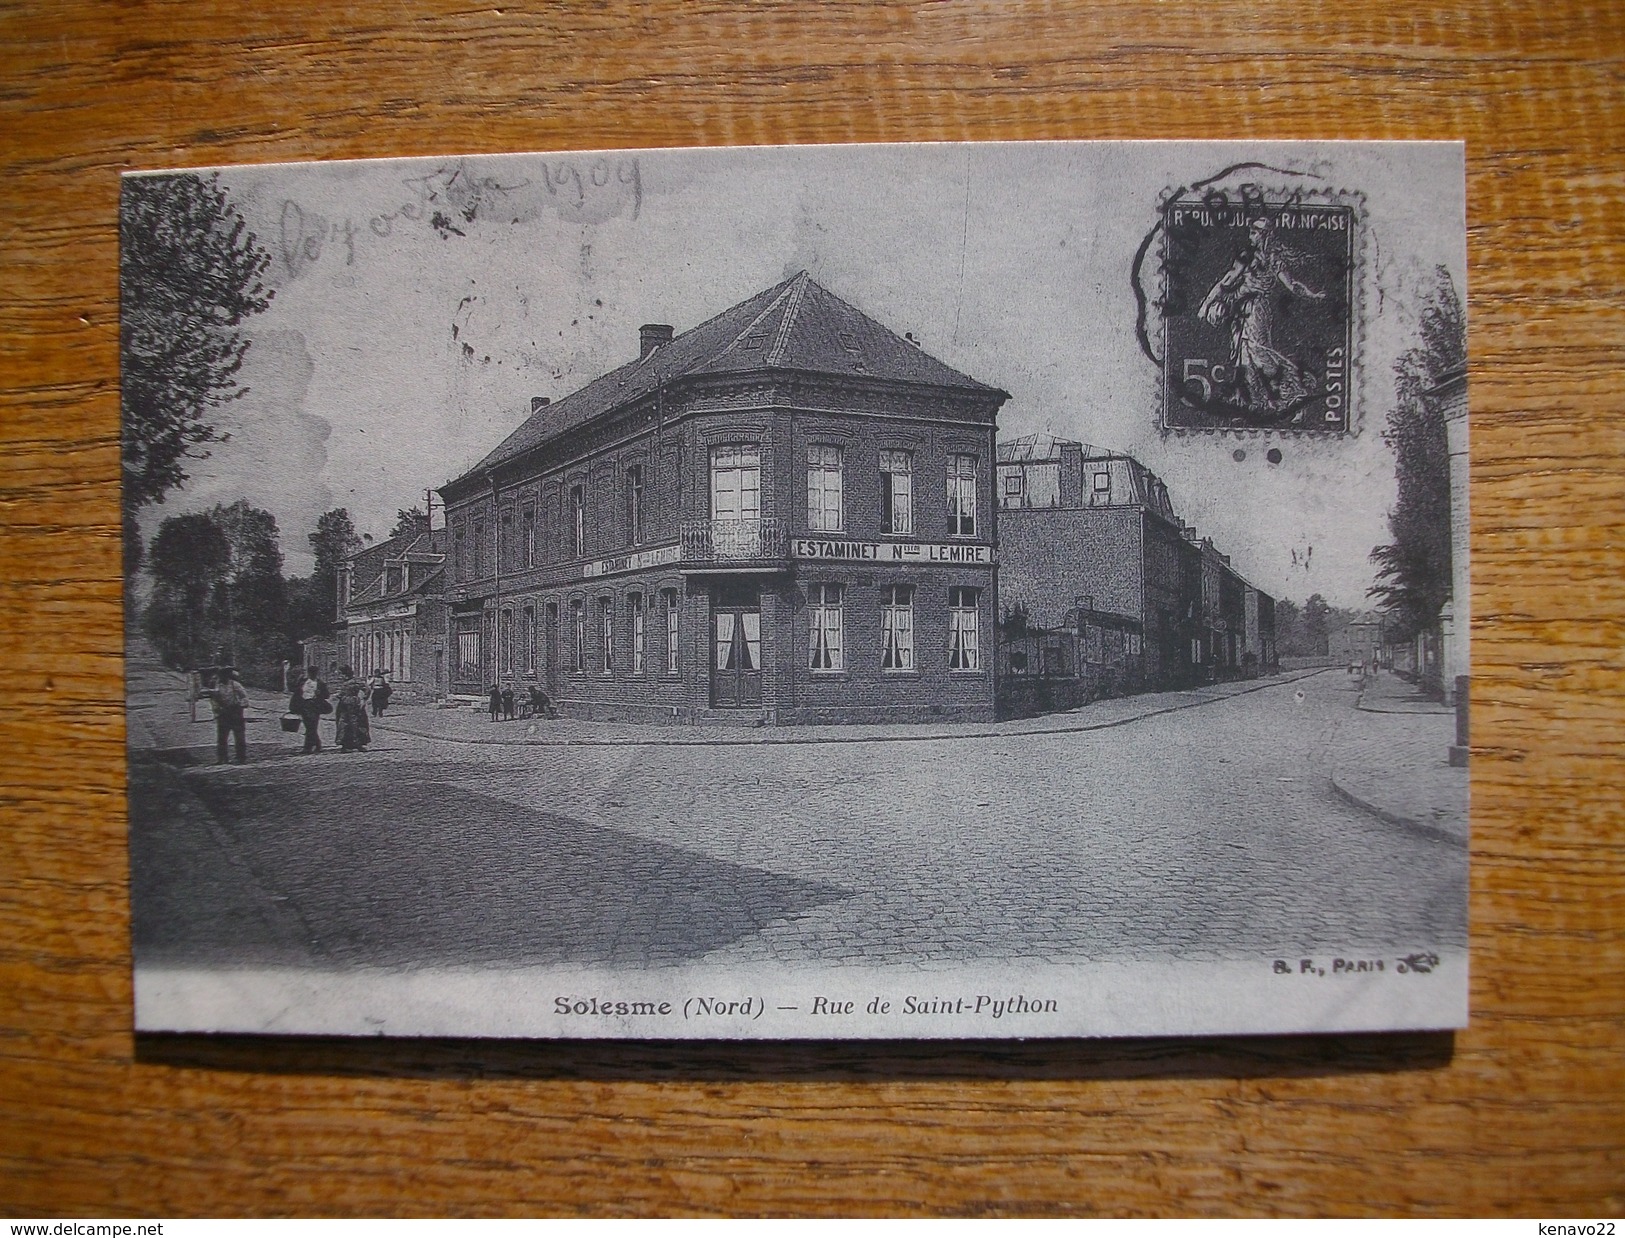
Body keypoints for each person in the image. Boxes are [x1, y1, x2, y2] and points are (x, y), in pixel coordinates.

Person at [1197, 216, 1328, 420]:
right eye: (1251, 231)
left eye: (1256, 231)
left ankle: (1296, 393)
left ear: (1266, 234)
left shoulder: (1274, 258)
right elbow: (1227, 280)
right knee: (1244, 357)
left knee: (1259, 353)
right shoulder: (1245, 256)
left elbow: (1292, 284)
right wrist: (1207, 304)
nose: (1252, 235)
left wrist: (1312, 295)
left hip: (1258, 309)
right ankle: (1249, 404)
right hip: (1241, 309)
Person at [209, 667, 250, 765]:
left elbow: (244, 697)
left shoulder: (235, 685)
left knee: (239, 736)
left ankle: (241, 758)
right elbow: (213, 699)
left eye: (224, 676)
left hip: (235, 713)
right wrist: (216, 709)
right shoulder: (217, 685)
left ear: (228, 676)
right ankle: (222, 758)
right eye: (220, 676)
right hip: (223, 713)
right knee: (222, 737)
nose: (222, 678)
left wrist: (240, 705)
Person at [289, 665, 330, 754]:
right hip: (304, 706)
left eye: (314, 673)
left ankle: (307, 748)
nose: (312, 674)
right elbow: (295, 691)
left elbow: (327, 695)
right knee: (309, 726)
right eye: (310, 673)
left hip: (314, 706)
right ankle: (317, 744)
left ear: (316, 673)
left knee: (312, 726)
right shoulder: (303, 681)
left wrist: (320, 694)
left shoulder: (320, 683)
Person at [334, 665, 371, 753]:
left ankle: (358, 744)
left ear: (345, 673)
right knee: (343, 724)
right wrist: (338, 695)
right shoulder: (343, 682)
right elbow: (342, 693)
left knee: (356, 723)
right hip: (343, 704)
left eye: (341, 674)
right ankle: (345, 744)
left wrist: (364, 699)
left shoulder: (355, 681)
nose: (340, 676)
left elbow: (367, 689)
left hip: (353, 703)